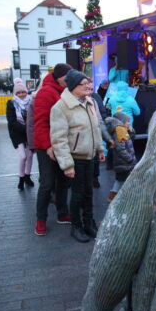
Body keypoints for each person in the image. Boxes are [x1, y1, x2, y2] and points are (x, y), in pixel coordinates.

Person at [50, 70, 106, 243]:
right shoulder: (60, 107)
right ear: (74, 86)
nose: (89, 86)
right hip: (75, 158)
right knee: (77, 194)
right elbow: (58, 139)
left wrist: (99, 149)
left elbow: (94, 128)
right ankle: (76, 226)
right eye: (84, 83)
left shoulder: (88, 102)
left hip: (90, 156)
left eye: (89, 83)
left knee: (88, 192)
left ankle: (89, 223)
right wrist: (67, 165)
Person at [33, 63, 72, 236]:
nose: (69, 80)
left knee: (63, 181)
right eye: (66, 77)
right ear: (58, 77)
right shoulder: (46, 92)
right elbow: (40, 122)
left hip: (62, 143)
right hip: (47, 146)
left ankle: (62, 214)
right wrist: (48, 146)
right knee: (47, 183)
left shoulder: (66, 90)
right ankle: (40, 220)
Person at [7, 78, 35, 191]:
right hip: (17, 133)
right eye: (18, 92)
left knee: (30, 156)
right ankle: (21, 178)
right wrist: (26, 129)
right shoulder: (11, 103)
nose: (21, 94)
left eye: (23, 92)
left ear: (26, 92)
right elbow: (12, 121)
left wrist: (30, 130)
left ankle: (27, 176)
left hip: (29, 133)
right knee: (23, 156)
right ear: (15, 93)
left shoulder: (31, 101)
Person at [105, 112, 136, 202]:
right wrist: (129, 159)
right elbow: (121, 149)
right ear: (122, 122)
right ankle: (113, 196)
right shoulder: (120, 131)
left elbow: (130, 140)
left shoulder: (122, 130)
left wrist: (131, 131)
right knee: (121, 180)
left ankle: (116, 196)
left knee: (121, 179)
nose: (129, 123)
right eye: (127, 122)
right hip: (123, 162)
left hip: (123, 162)